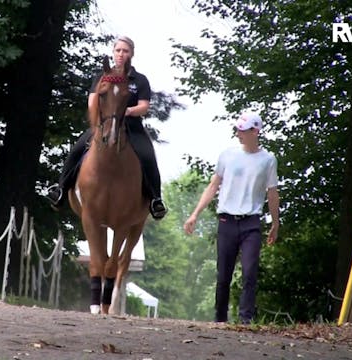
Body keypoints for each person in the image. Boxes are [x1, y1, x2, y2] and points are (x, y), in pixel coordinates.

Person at [45, 35, 167, 220]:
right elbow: (92, 101)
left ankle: (155, 199)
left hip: (131, 127)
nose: (121, 54)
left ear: (131, 54)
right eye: (118, 50)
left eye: (125, 51)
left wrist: (127, 111)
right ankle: (61, 189)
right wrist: (101, 119)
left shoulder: (139, 80)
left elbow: (144, 106)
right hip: (104, 125)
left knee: (147, 154)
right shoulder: (101, 78)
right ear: (113, 52)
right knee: (77, 149)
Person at [183, 112, 279, 324]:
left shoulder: (268, 160)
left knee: (250, 271)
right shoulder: (228, 155)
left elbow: (272, 193)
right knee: (223, 274)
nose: (238, 134)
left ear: (256, 131)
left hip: (251, 222)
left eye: (243, 131)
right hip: (227, 220)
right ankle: (220, 319)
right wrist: (194, 214)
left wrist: (275, 223)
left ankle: (246, 320)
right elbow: (213, 185)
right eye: (237, 130)